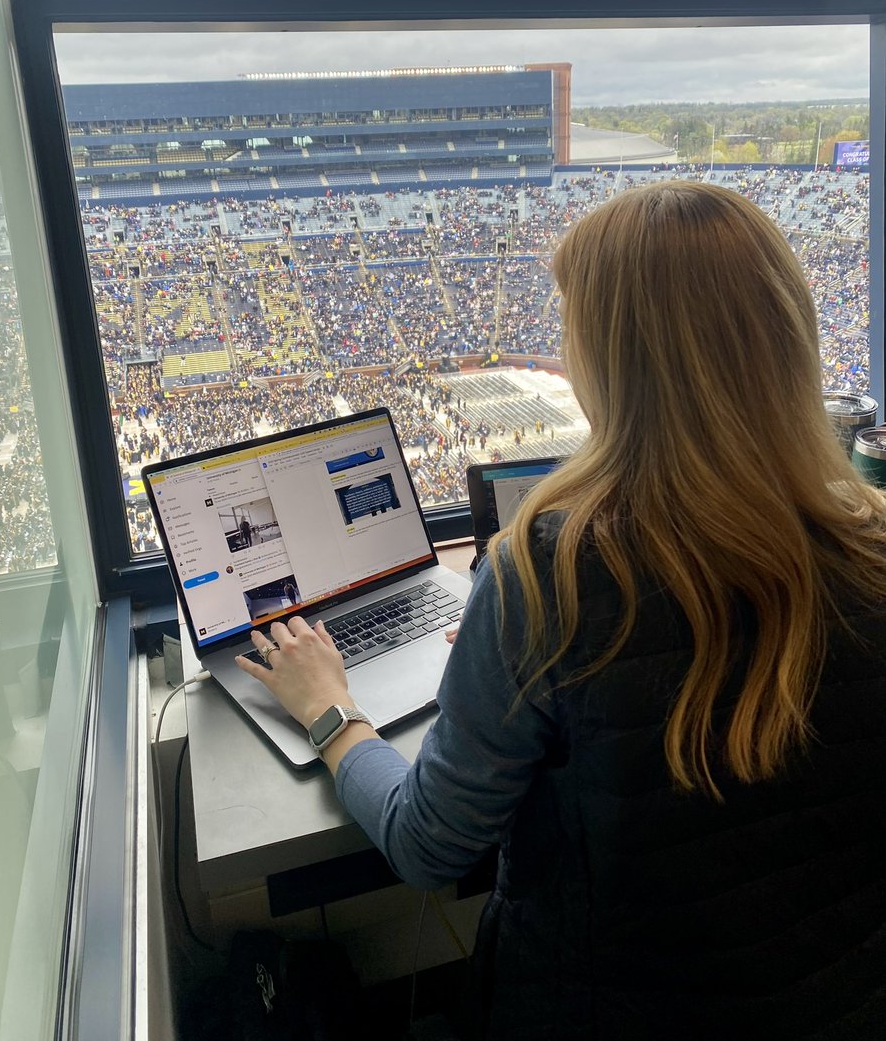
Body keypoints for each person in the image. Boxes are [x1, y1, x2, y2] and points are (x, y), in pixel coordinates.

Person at [236, 182, 886, 1040]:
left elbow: (430, 847)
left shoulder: (548, 576)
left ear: (615, 362)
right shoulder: (872, 541)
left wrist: (331, 713)